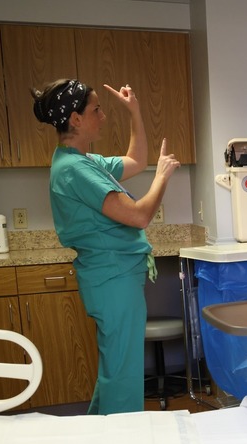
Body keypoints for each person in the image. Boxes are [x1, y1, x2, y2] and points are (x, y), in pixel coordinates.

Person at [31, 78, 180, 414]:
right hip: (113, 279)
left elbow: (136, 160)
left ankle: (100, 434)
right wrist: (162, 178)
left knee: (117, 368)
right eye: (96, 110)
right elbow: (139, 216)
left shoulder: (82, 162)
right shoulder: (75, 170)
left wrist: (134, 112)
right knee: (123, 375)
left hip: (113, 277)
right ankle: (122, 441)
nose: (103, 116)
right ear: (75, 119)